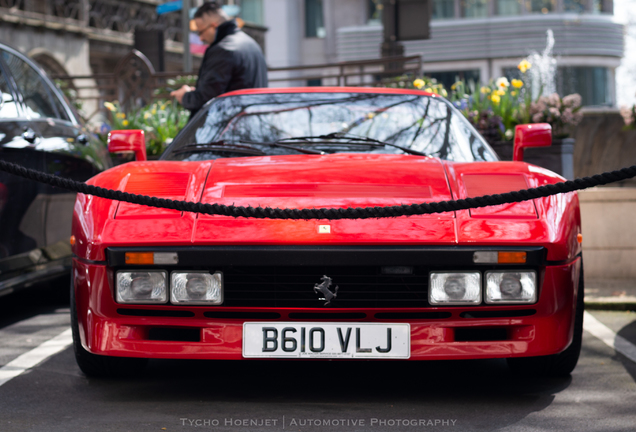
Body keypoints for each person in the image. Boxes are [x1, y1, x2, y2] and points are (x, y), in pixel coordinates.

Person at [170, 1, 268, 118]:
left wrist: (185, 96)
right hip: (254, 121)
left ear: (213, 26)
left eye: (201, 31)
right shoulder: (252, 44)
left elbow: (208, 98)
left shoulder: (223, 49)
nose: (201, 38)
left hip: (231, 126)